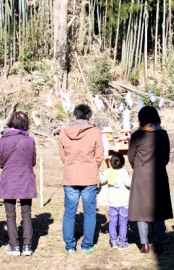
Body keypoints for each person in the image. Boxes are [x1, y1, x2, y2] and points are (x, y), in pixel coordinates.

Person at [59, 104, 104, 254]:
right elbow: (99, 155)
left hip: (70, 176)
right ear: (88, 116)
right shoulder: (95, 133)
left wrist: (70, 165)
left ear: (75, 114)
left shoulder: (64, 132)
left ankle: (70, 246)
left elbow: (62, 155)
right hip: (89, 177)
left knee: (69, 212)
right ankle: (87, 245)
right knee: (90, 212)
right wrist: (92, 167)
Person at [128, 106, 173, 255]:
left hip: (141, 176)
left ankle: (145, 244)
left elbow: (131, 157)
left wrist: (139, 167)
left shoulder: (137, 136)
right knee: (159, 210)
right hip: (159, 175)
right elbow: (166, 157)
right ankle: (160, 243)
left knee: (141, 210)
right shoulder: (163, 134)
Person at [0, 111, 37, 257]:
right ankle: (27, 246)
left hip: (9, 179)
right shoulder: (30, 140)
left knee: (10, 214)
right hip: (26, 179)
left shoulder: (3, 140)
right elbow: (33, 162)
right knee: (26, 214)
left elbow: (1, 162)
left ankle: (14, 246)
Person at [98, 153, 131, 250]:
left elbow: (102, 180)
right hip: (123, 202)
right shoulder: (124, 172)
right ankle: (122, 241)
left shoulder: (108, 172)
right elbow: (129, 183)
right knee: (123, 222)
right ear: (123, 163)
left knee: (112, 221)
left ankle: (113, 241)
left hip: (112, 202)